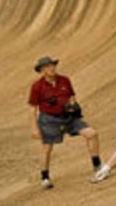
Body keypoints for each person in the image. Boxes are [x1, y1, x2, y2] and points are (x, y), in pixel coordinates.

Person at [28, 56, 103, 188]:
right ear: (42, 70)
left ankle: (97, 166)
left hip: (68, 117)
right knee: (47, 148)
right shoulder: (37, 86)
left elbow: (71, 95)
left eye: (52, 65)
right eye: (47, 67)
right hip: (49, 119)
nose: (52, 68)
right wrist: (34, 128)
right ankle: (45, 177)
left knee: (92, 134)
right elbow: (32, 109)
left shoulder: (64, 80)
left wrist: (72, 104)